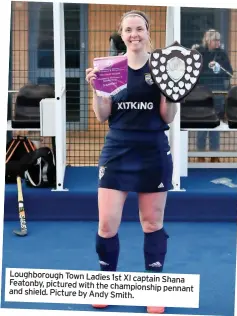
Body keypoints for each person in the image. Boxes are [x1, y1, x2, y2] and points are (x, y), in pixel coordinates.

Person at [85, 10, 177, 314]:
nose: (134, 34)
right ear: (121, 34)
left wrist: (175, 93)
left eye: (139, 28)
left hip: (152, 150)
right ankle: (106, 284)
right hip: (118, 150)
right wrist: (96, 90)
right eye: (128, 30)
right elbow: (101, 115)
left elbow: (168, 116)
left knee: (152, 223)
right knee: (107, 224)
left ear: (148, 31)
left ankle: (154, 289)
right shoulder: (111, 67)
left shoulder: (162, 67)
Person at [192, 29, 233, 162]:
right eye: (215, 40)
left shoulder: (222, 54)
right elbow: (194, 71)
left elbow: (230, 72)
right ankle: (200, 155)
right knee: (202, 125)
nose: (218, 42)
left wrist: (219, 66)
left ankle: (215, 155)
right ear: (208, 40)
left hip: (218, 93)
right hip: (202, 94)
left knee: (216, 125)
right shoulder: (200, 52)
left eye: (219, 40)